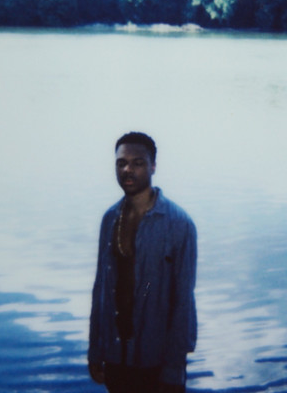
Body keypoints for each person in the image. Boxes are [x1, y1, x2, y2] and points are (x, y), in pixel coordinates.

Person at [88, 132, 197, 393]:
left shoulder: (178, 224)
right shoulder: (110, 219)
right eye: (121, 163)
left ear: (153, 166)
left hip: (157, 361)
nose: (128, 170)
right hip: (116, 356)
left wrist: (173, 371)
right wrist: (95, 351)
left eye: (137, 163)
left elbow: (183, 301)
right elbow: (101, 290)